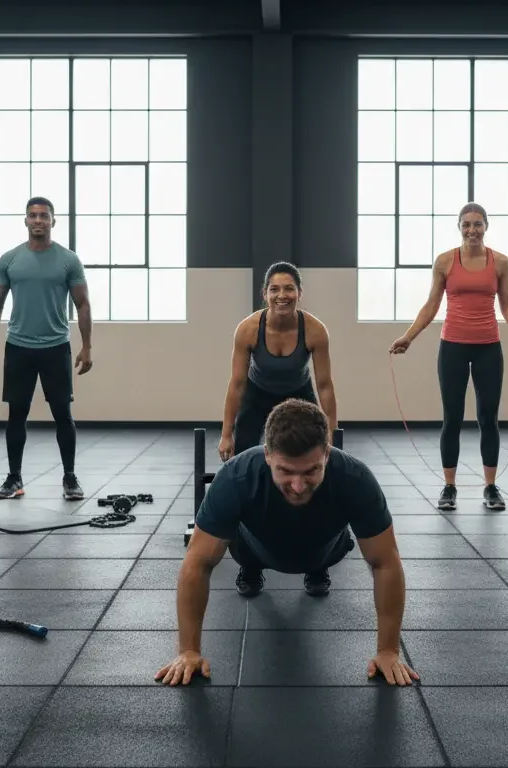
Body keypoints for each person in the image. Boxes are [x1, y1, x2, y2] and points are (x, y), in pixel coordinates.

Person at [156, 399, 417, 687]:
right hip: (253, 548)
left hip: (325, 549)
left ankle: (316, 568)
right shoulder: (236, 477)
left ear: (327, 454)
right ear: (268, 455)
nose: (297, 485)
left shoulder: (355, 479)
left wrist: (389, 651)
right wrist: (188, 651)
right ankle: (252, 568)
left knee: (333, 548)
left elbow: (385, 561)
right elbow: (197, 561)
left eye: (310, 472)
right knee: (233, 546)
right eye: (285, 472)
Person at [388, 202, 508, 512]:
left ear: (486, 226)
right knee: (453, 418)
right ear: (459, 227)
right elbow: (431, 305)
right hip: (453, 348)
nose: (472, 229)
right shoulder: (445, 261)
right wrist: (409, 336)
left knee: (488, 418)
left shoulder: (499, 262)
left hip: (488, 347)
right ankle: (449, 487)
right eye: (466, 224)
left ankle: (490, 486)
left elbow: (507, 306)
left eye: (477, 224)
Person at [0, 197, 92, 502]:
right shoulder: (10, 259)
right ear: (25, 221)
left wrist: (87, 346)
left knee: (63, 416)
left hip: (56, 347)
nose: (38, 220)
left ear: (53, 221)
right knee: (16, 414)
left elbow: (82, 304)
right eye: (33, 216)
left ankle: (70, 478)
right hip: (19, 347)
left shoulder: (68, 260)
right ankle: (14, 478)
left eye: (44, 215)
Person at [218, 262, 336, 460]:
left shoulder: (315, 331)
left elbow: (324, 386)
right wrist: (226, 434)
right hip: (257, 393)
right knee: (242, 454)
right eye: (274, 289)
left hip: (299, 392)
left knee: (312, 448)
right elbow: (237, 384)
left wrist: (332, 433)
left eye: (289, 288)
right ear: (265, 294)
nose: (282, 296)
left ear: (299, 293)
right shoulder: (248, 330)